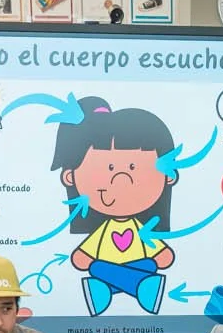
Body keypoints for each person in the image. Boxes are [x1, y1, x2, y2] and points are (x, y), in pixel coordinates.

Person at [51, 98, 180, 316]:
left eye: (133, 167)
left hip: (105, 273)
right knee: (147, 267)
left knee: (97, 268)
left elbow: (164, 256)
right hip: (144, 269)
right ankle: (142, 287)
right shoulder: (104, 231)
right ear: (70, 176)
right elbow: (79, 258)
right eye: (109, 167)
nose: (122, 180)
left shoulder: (142, 229)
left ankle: (106, 288)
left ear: (168, 176)